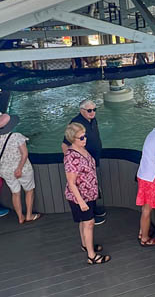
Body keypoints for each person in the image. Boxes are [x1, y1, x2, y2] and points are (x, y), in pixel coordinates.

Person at [63, 122, 111, 264]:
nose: (85, 139)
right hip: (81, 197)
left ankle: (86, 245)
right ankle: (92, 255)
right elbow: (71, 182)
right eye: (81, 137)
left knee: (84, 222)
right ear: (73, 139)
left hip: (89, 193)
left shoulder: (82, 149)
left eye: (85, 136)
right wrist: (81, 202)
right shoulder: (71, 157)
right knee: (89, 223)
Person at [61, 100, 107, 225]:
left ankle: (94, 208)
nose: (93, 113)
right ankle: (89, 214)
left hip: (91, 159)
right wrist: (72, 160)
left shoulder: (92, 120)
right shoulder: (76, 124)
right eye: (89, 110)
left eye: (94, 110)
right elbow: (65, 144)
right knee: (84, 187)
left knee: (92, 184)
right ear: (82, 110)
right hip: (82, 164)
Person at [0, 114, 40, 224]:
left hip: (6, 171)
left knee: (15, 193)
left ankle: (20, 217)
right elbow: (24, 154)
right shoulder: (16, 136)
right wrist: (19, 168)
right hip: (23, 169)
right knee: (29, 191)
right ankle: (29, 215)